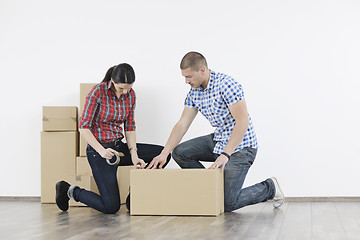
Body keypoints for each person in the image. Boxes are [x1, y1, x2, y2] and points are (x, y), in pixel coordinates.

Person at [147, 52, 284, 211]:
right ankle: (210, 188)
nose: (186, 81)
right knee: (179, 152)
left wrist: (225, 155)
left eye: (189, 76)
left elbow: (242, 121)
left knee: (227, 203)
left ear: (202, 70)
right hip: (219, 140)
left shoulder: (226, 85)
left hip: (241, 147)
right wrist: (164, 153)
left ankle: (269, 188)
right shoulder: (194, 93)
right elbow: (182, 124)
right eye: (184, 77)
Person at [55, 63, 171, 214]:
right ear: (112, 81)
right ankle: (70, 190)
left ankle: (136, 194)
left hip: (119, 148)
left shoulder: (131, 95)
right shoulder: (97, 92)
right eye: (121, 88)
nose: (125, 92)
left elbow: (129, 127)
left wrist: (134, 155)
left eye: (128, 88)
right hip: (100, 152)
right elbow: (83, 127)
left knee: (163, 155)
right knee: (111, 207)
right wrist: (102, 151)